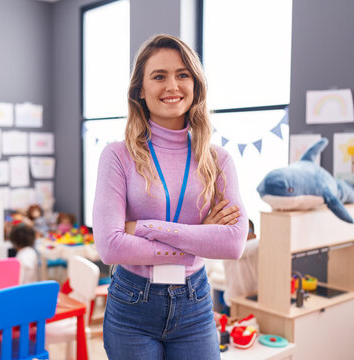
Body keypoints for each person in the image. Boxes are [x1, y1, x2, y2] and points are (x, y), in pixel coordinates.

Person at [93, 34, 247, 360]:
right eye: (159, 76)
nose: (172, 85)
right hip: (133, 304)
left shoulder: (218, 160)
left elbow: (233, 244)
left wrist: (142, 227)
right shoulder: (117, 156)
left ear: (195, 85)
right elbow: (109, 247)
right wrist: (200, 237)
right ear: (140, 89)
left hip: (196, 304)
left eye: (182, 74)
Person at [223, 219, 259, 306]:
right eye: (239, 230)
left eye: (247, 230)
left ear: (254, 236)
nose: (242, 234)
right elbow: (240, 250)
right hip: (232, 301)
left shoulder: (253, 249)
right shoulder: (229, 249)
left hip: (249, 299)